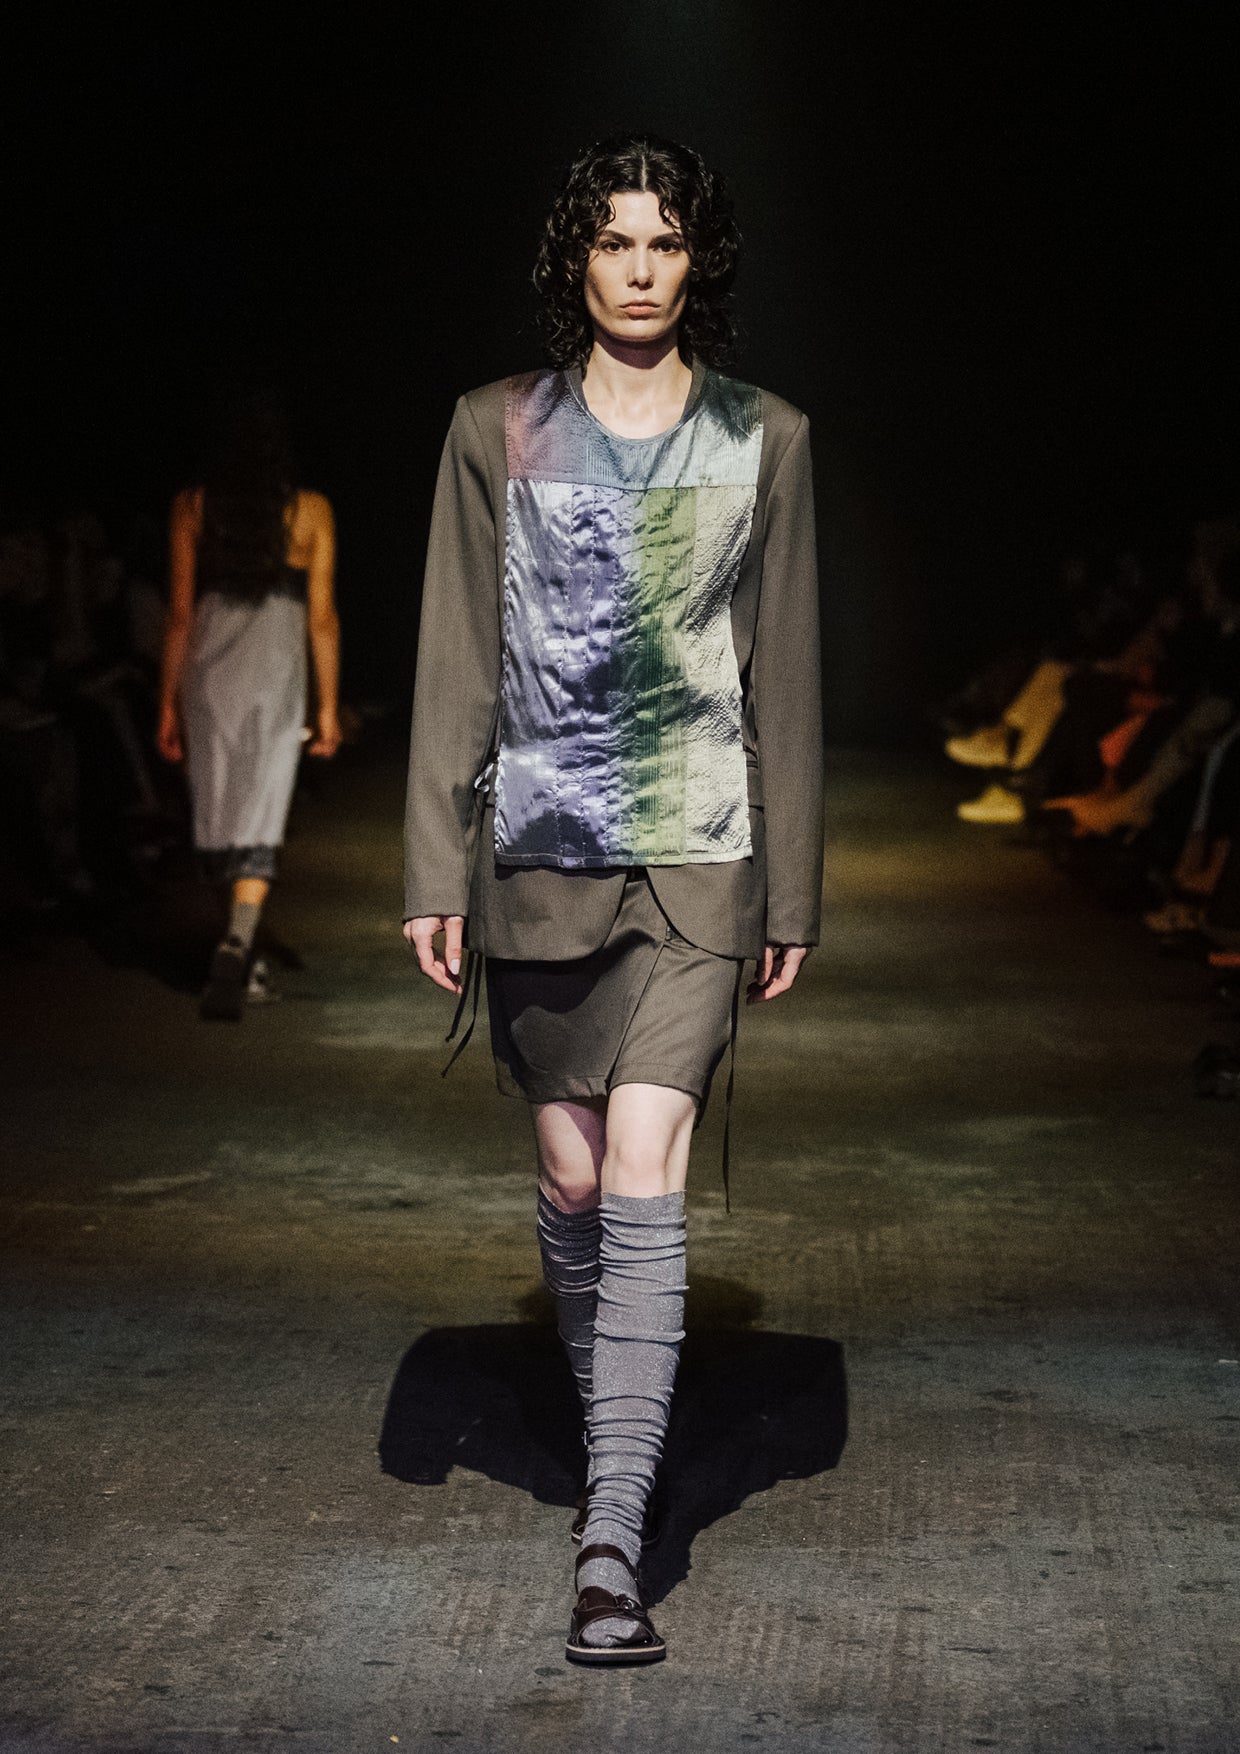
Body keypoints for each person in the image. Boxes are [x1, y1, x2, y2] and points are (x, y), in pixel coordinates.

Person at [403, 135, 824, 1666]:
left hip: (700, 858)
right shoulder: (496, 429)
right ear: (575, 261)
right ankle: (614, 1441)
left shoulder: (767, 435)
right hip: (540, 853)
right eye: (614, 242)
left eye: (665, 242)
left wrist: (794, 886)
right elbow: (458, 650)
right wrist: (429, 864)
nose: (640, 270)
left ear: (698, 262)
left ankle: (611, 1541)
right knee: (576, 1184)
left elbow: (785, 664)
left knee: (646, 1168)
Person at [157, 397, 341, 1019]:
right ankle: (239, 945)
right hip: (275, 671)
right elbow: (322, 618)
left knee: (217, 812)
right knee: (261, 811)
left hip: (210, 669)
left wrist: (166, 705)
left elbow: (180, 614)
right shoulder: (311, 510)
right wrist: (329, 707)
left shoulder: (192, 507)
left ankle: (240, 948)